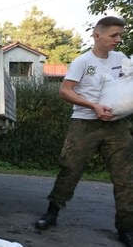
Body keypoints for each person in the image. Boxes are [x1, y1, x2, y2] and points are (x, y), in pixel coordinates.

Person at [33, 16, 133, 246]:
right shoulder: (82, 62)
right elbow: (65, 91)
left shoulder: (121, 59)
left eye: (120, 35)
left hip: (116, 126)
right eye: (114, 35)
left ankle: (126, 229)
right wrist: (94, 106)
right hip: (84, 123)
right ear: (97, 36)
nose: (118, 40)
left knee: (127, 177)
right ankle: (52, 213)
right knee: (70, 169)